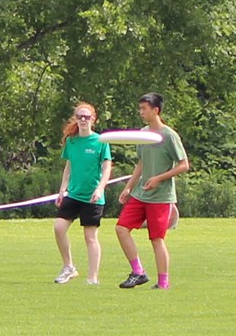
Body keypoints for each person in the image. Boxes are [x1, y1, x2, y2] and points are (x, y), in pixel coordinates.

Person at [115, 92, 190, 290]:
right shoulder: (143, 134)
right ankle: (138, 272)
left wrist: (159, 178)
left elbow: (184, 165)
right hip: (141, 194)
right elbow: (141, 163)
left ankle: (163, 283)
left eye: (144, 108)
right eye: (140, 108)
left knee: (157, 239)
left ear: (156, 110)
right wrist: (129, 187)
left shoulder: (169, 136)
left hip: (161, 197)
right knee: (121, 228)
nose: (140, 112)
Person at [53, 102, 113, 284]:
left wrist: (100, 188)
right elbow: (69, 166)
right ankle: (69, 267)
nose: (83, 120)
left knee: (90, 237)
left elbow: (107, 167)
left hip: (92, 197)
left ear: (93, 119)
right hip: (73, 194)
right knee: (59, 228)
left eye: (87, 117)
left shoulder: (101, 141)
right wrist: (62, 189)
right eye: (80, 117)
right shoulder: (71, 141)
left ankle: (92, 278)